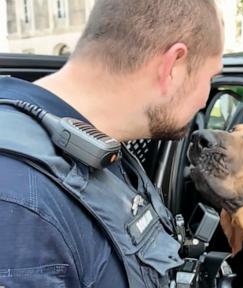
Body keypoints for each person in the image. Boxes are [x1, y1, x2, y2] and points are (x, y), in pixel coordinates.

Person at [0, 0, 224, 287]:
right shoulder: (17, 199)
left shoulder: (101, 149)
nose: (206, 98)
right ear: (173, 66)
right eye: (211, 77)